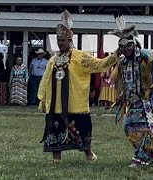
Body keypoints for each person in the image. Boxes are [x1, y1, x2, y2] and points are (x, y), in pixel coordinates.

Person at [38, 10, 120, 163]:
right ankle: (56, 159)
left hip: (76, 104)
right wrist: (43, 99)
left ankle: (89, 154)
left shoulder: (80, 56)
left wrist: (116, 54)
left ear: (70, 41)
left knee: (81, 131)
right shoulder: (52, 60)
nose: (60, 43)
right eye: (58, 40)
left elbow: (100, 64)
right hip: (56, 106)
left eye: (63, 40)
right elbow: (46, 80)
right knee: (55, 129)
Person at [109, 14, 153, 167]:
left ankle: (143, 157)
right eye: (121, 46)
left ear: (134, 44)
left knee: (148, 126)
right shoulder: (122, 62)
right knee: (129, 126)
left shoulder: (148, 56)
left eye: (128, 45)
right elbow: (124, 81)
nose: (125, 49)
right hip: (135, 100)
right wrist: (123, 95)